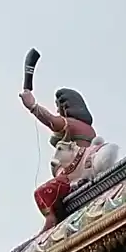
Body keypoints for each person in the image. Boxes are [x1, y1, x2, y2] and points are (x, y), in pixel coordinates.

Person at [22, 87, 100, 227]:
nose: (58, 111)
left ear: (65, 106)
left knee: (41, 193)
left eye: (58, 106)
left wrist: (32, 106)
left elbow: (52, 121)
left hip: (75, 174)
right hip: (74, 171)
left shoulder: (73, 124)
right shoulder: (87, 128)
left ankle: (50, 220)